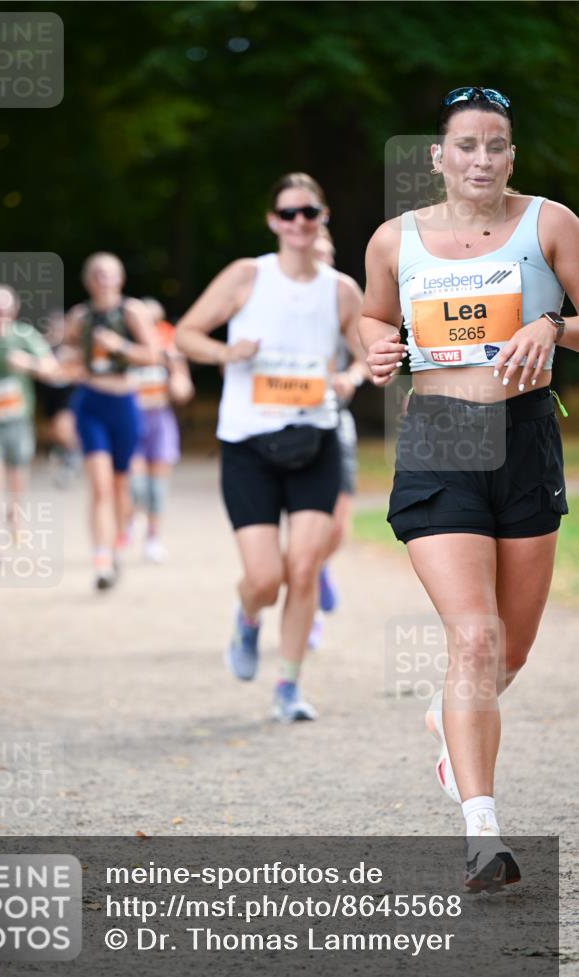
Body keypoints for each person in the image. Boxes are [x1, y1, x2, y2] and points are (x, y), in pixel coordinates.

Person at [360, 86, 578, 889]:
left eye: (495, 144)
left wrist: (549, 325)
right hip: (440, 434)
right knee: (476, 639)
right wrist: (376, 348)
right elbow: (375, 318)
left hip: (525, 436)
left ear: (511, 154)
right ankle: (482, 831)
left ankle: (446, 722)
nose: (481, 158)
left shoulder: (550, 223)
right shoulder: (394, 239)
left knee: (509, 649)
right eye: (465, 145)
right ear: (438, 156)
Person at [176, 172, 363, 722]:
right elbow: (185, 333)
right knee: (266, 578)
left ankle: (288, 686)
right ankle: (247, 615)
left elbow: (363, 354)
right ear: (273, 221)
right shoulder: (245, 277)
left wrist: (352, 376)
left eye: (309, 212)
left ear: (322, 216)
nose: (299, 222)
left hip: (316, 439)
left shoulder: (341, 290)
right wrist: (226, 355)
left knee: (303, 569)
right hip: (249, 444)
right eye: (288, 213)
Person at [63, 253, 160, 589]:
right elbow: (70, 356)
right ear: (88, 280)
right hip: (91, 402)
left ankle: (117, 542)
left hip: (125, 403)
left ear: (120, 279)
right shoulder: (80, 317)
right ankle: (101, 558)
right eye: (97, 275)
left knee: (120, 485)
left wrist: (118, 345)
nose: (103, 281)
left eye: (109, 275)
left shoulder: (131, 312)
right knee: (100, 485)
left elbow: (153, 354)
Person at [308, 228, 371, 649]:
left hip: (336, 421)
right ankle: (308, 604)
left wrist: (351, 375)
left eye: (327, 251)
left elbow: (368, 354)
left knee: (337, 529)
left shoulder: (344, 299)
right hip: (288, 425)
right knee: (304, 529)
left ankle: (319, 567)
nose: (321, 258)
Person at [0, 284, 60, 546]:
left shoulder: (25, 336)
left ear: (14, 311)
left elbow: (51, 368)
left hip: (17, 419)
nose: (0, 314)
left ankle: (16, 521)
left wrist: (27, 363)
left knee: (17, 477)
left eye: (5, 309)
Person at [129, 298, 194, 563]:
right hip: (131, 421)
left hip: (159, 420)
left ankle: (153, 538)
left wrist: (178, 383)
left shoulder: (168, 346)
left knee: (157, 488)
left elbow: (183, 385)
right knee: (137, 486)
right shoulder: (126, 347)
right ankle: (131, 517)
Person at [36, 311, 81, 488]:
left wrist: (64, 372)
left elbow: (81, 372)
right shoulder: (43, 348)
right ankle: (66, 454)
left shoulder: (73, 348)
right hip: (49, 394)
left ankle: (72, 457)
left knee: (64, 428)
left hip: (68, 393)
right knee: (53, 432)